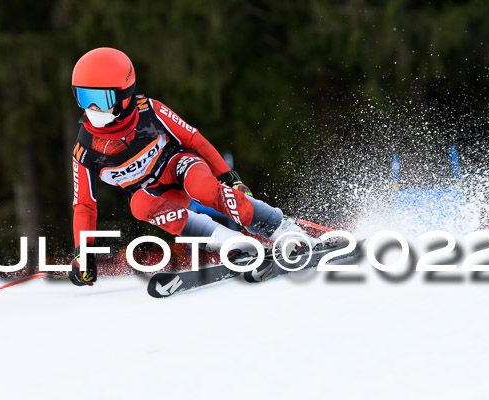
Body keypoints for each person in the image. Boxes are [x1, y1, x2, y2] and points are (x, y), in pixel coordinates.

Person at [68, 47, 313, 286]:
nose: (92, 110)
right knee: (138, 205)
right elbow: (84, 205)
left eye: (100, 99)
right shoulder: (85, 149)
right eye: (84, 97)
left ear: (124, 94)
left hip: (178, 166)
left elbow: (193, 139)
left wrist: (228, 177)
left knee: (204, 188)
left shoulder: (150, 111)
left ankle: (280, 227)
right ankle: (228, 241)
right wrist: (84, 253)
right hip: (156, 196)